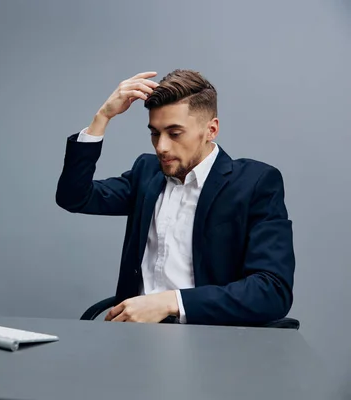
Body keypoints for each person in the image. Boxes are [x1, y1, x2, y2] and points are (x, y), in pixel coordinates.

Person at [56, 69, 295, 326]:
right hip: (132, 338)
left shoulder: (254, 184)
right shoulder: (147, 173)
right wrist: (102, 117)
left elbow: (272, 291)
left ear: (211, 129)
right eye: (155, 133)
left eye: (175, 133)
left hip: (210, 340)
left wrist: (170, 302)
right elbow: (74, 196)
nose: (161, 147)